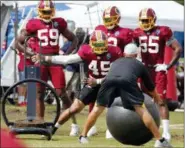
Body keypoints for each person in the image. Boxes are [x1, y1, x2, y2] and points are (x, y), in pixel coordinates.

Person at [31, 30, 122, 138]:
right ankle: (53, 129)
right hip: (92, 84)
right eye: (97, 45)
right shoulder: (86, 51)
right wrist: (45, 58)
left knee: (114, 107)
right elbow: (67, 60)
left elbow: (116, 74)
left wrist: (97, 81)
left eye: (102, 44)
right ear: (91, 44)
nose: (100, 48)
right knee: (74, 108)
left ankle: (113, 130)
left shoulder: (114, 52)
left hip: (108, 85)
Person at [79, 43, 172, 147]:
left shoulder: (115, 62)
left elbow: (110, 76)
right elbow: (150, 86)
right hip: (127, 82)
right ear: (136, 55)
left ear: (124, 54)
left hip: (108, 81)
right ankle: (160, 140)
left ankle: (83, 136)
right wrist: (158, 98)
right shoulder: (139, 65)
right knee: (141, 110)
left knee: (97, 109)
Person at [15, 0, 79, 136]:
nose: (47, 14)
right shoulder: (34, 24)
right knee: (39, 93)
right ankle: (41, 123)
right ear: (39, 11)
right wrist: (32, 53)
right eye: (44, 12)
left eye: (49, 12)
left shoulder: (59, 22)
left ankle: (74, 124)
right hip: (41, 61)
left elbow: (74, 39)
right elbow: (18, 43)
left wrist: (65, 55)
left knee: (62, 93)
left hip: (55, 60)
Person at [133, 8, 182, 142]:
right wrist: (135, 58)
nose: (144, 23)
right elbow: (133, 48)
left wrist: (168, 66)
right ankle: (142, 128)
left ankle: (166, 132)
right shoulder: (136, 33)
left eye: (147, 20)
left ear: (153, 20)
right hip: (143, 70)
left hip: (158, 69)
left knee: (161, 101)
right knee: (140, 101)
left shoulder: (162, 31)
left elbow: (178, 49)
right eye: (142, 20)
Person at [91, 6, 133, 138]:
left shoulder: (124, 32)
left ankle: (111, 127)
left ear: (118, 19)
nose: (109, 21)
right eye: (107, 19)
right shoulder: (99, 29)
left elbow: (127, 51)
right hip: (99, 65)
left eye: (112, 18)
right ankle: (92, 125)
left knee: (112, 97)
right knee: (94, 96)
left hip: (114, 67)